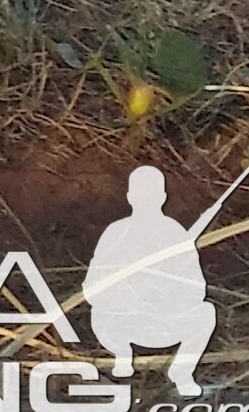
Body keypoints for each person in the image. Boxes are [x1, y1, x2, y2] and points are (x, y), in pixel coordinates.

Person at [84, 165, 220, 396]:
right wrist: (126, 293)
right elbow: (91, 288)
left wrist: (166, 293)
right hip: (122, 322)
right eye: (141, 194)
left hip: (163, 323)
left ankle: (182, 372)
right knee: (98, 313)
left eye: (152, 194)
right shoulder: (116, 233)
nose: (146, 200)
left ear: (162, 198)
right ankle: (122, 355)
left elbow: (197, 289)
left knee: (206, 313)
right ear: (130, 197)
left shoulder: (175, 234)